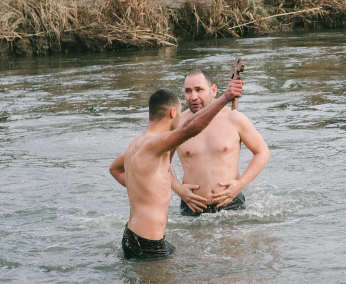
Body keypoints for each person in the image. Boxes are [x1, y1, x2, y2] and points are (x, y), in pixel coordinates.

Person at [109, 79, 244, 261]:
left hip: (135, 236)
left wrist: (143, 190)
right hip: (147, 243)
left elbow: (115, 169)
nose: (182, 117)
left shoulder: (139, 141)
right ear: (173, 113)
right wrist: (224, 98)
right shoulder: (156, 143)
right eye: (181, 112)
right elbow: (190, 129)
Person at [171, 69, 270, 216]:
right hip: (192, 205)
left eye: (199, 90)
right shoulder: (177, 124)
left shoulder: (234, 119)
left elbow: (262, 152)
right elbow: (160, 160)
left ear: (213, 90)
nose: (193, 96)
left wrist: (240, 185)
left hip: (231, 203)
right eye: (188, 91)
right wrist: (179, 190)